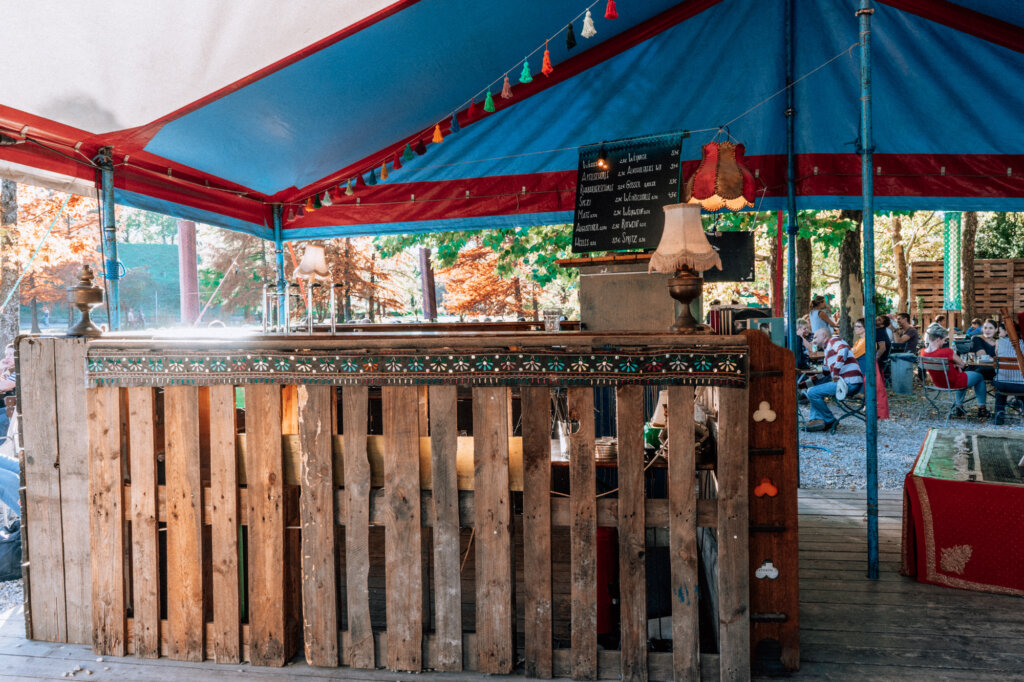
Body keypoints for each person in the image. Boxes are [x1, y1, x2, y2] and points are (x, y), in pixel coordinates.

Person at [803, 327, 864, 432]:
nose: (813, 340)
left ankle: (829, 420)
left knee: (813, 392)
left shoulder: (834, 340)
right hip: (847, 382)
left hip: (849, 382)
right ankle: (815, 420)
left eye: (815, 337)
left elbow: (844, 350)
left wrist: (836, 371)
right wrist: (803, 384)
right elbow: (824, 373)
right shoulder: (827, 351)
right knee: (812, 390)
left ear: (824, 336)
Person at [920, 327, 988, 419]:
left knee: (964, 376)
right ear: (938, 339)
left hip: (938, 383)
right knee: (979, 376)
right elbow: (962, 364)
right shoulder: (947, 351)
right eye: (944, 340)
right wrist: (956, 365)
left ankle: (959, 407)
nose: (944, 342)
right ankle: (982, 408)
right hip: (953, 382)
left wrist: (953, 365)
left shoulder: (923, 353)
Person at [992, 315, 1024, 425]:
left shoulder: (999, 342)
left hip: (1002, 385)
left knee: (1000, 381)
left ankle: (999, 414)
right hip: (1022, 385)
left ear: (1007, 331)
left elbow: (997, 355)